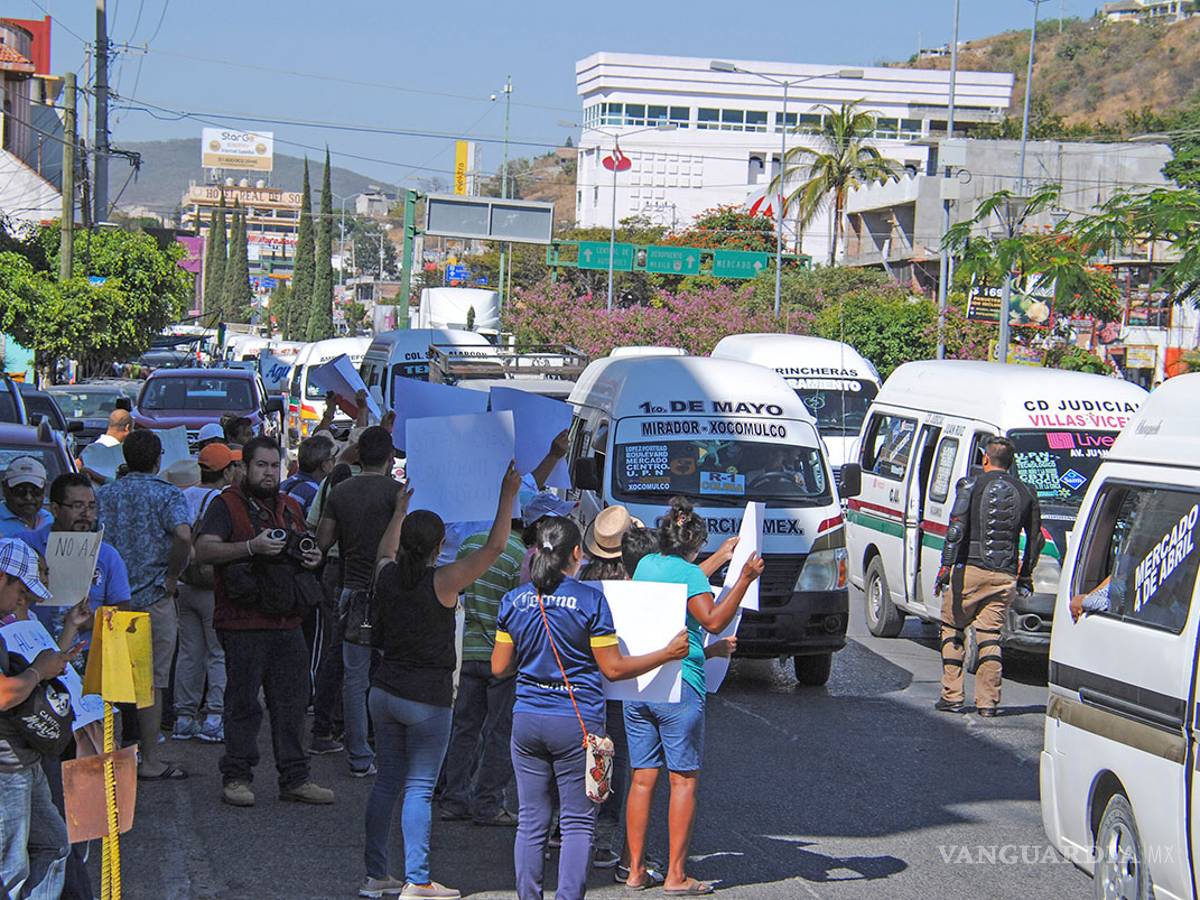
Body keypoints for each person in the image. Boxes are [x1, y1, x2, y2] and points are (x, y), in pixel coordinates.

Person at [492, 516, 690, 900]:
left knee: (531, 822)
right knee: (578, 823)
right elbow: (613, 669)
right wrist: (666, 653)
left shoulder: (513, 601)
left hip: (527, 719)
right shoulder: (589, 601)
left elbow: (500, 667)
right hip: (576, 723)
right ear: (577, 554)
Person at [357, 463, 523, 900]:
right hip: (427, 698)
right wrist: (506, 495)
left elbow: (383, 554)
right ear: (440, 545)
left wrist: (398, 512)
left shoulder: (386, 575)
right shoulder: (445, 582)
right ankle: (418, 879)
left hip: (383, 690)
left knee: (387, 782)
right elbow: (496, 545)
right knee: (418, 788)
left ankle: (377, 875)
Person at [623, 498, 763, 895]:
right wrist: (744, 579)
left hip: (639, 684)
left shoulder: (648, 564)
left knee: (642, 778)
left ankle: (634, 871)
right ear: (695, 544)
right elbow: (714, 620)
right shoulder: (690, 576)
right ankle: (675, 876)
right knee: (682, 781)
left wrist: (719, 557)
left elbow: (683, 579)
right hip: (680, 684)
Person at [194, 436, 333, 808]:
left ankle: (296, 779)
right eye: (261, 466)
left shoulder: (289, 506)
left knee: (292, 704)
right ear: (245, 468)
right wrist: (250, 547)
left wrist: (312, 556)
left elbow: (304, 546)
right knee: (243, 703)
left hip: (287, 620)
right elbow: (203, 550)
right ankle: (237, 777)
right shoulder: (226, 505)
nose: (269, 473)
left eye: (274, 466)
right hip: (243, 621)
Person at [96, 429, 192, 781]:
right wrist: (172, 575)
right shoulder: (166, 495)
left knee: (110, 680)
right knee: (150, 682)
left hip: (111, 601)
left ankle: (111, 751)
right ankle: (150, 758)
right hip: (154, 598)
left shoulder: (105, 494)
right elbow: (183, 535)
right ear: (158, 459)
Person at [934, 436, 1042, 717]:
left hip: (969, 569)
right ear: (1011, 462)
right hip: (1004, 574)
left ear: (985, 458)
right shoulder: (1027, 492)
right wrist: (1026, 575)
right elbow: (1035, 540)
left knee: (952, 629)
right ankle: (987, 702)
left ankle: (952, 695)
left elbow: (956, 530)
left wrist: (945, 569)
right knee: (990, 636)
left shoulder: (970, 486)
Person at [317, 425, 402, 778]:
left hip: (351, 590)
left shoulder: (341, 491)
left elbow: (322, 540)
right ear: (389, 457)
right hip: (391, 591)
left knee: (354, 678)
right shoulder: (399, 493)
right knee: (391, 674)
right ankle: (388, 749)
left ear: (357, 455)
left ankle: (358, 755)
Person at [439, 496, 529, 828]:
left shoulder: (469, 546)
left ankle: (454, 797)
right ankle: (489, 802)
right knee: (500, 730)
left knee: (464, 728)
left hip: (469, 649)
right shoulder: (519, 555)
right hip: (502, 655)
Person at [0, 537, 78, 900]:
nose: (22, 604)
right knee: (10, 873)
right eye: (21, 593)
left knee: (54, 845)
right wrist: (37, 672)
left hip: (21, 762)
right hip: (5, 772)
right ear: (2, 578)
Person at [171, 446, 243, 744]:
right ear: (225, 471)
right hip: (212, 585)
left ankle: (184, 718)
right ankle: (214, 717)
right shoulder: (222, 500)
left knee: (189, 652)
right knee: (217, 652)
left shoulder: (184, 495)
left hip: (184, 583)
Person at [18, 474, 132, 647]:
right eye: (77, 506)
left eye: (92, 507)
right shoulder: (25, 546)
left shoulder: (107, 555)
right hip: (31, 648)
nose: (86, 514)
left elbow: (123, 607)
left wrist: (92, 620)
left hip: (88, 654)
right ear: (55, 509)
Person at [308, 462, 355, 756]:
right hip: (351, 571)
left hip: (337, 569)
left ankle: (331, 722)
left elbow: (317, 532)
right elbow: (322, 538)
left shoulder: (336, 481)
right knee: (347, 656)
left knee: (336, 651)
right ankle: (337, 723)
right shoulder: (343, 480)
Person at [281, 434, 335, 516]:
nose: (334, 463)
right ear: (324, 466)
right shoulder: (315, 493)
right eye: (332, 459)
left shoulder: (284, 484)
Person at [0, 458, 52, 537]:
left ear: (45, 490)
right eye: (20, 491)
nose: (28, 497)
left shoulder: (51, 520)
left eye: (35, 491)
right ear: (5, 489)